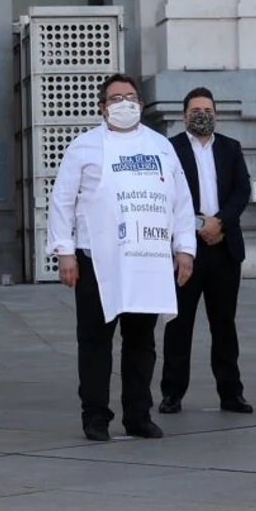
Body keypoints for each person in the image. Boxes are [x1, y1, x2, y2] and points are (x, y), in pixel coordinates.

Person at [48, 73, 197, 442]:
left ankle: (138, 415)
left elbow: (180, 203)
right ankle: (96, 416)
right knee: (95, 341)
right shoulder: (83, 147)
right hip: (96, 261)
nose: (124, 103)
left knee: (141, 342)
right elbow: (62, 202)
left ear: (141, 105)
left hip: (146, 258)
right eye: (116, 98)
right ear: (102, 107)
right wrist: (64, 252)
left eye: (130, 96)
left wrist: (185, 249)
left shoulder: (162, 147)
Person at [161, 87, 253, 416]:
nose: (202, 114)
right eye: (196, 109)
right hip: (185, 250)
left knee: (224, 325)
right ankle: (172, 392)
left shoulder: (231, 148)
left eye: (208, 109)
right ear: (185, 114)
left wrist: (221, 223)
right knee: (179, 324)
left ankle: (231, 393)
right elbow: (166, 195)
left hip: (224, 247)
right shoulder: (169, 150)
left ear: (216, 114)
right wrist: (197, 226)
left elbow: (243, 190)